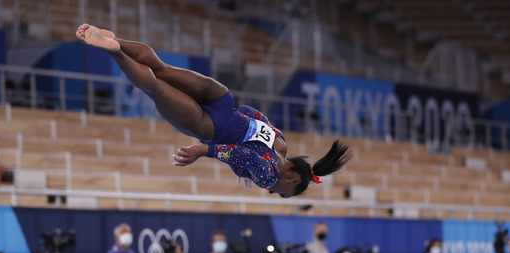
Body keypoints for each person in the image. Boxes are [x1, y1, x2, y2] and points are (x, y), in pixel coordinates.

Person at [76, 24, 351, 198]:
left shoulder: (280, 141)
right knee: (155, 88)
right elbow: (239, 152)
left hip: (222, 100)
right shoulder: (269, 175)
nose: (274, 193)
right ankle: (114, 52)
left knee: (162, 69)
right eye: (284, 194)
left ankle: (115, 40)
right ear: (293, 179)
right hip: (210, 128)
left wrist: (243, 166)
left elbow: (248, 111)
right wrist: (202, 151)